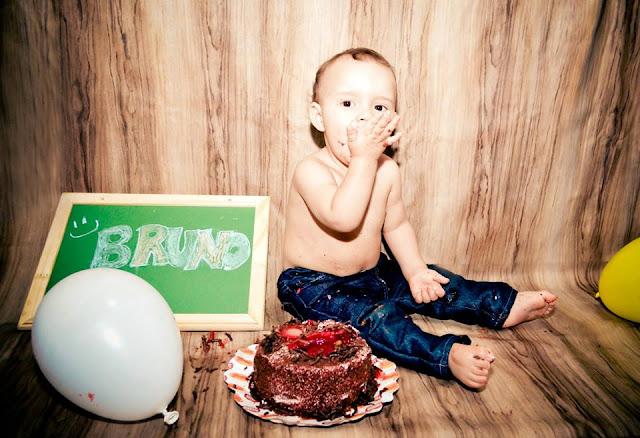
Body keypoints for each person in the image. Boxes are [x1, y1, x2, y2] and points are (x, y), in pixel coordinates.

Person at [277, 47, 557, 389]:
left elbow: (396, 226)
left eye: (379, 107)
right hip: (313, 285)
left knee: (438, 281)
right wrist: (364, 160)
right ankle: (445, 354)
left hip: (374, 273)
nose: (364, 118)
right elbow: (343, 219)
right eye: (348, 103)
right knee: (378, 320)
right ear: (319, 117)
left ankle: (501, 305)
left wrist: (415, 272)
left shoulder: (387, 171)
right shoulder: (311, 171)